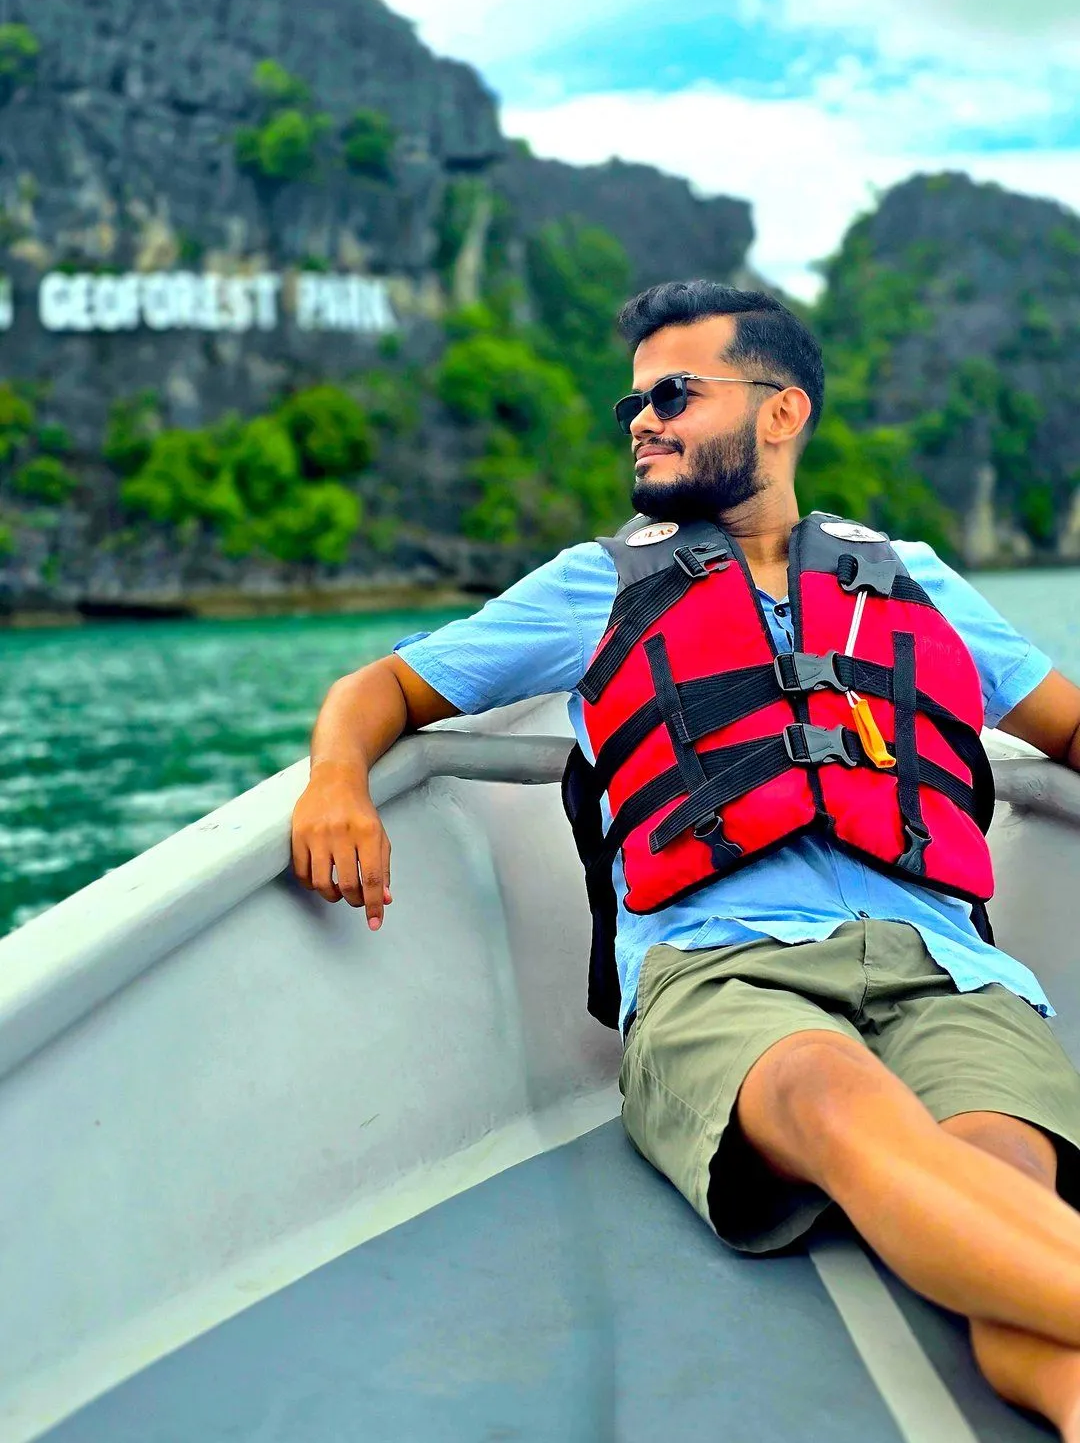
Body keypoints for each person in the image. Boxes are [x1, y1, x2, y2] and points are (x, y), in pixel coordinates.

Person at [292, 280, 1080, 1438]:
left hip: (950, 972)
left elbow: (1065, 725)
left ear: (781, 411)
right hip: (725, 972)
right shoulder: (594, 585)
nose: (641, 421)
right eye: (633, 402)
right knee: (839, 1102)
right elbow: (384, 688)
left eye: (674, 392)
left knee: (1008, 1202)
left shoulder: (914, 579)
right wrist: (335, 778)